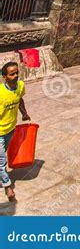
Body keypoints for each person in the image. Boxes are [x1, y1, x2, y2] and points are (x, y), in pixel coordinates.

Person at [0, 61, 30, 201]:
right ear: (4, 77)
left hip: (11, 129)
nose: (16, 75)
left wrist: (24, 113)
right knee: (1, 161)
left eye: (17, 72)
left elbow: (20, 100)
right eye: (12, 74)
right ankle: (7, 186)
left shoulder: (20, 86)